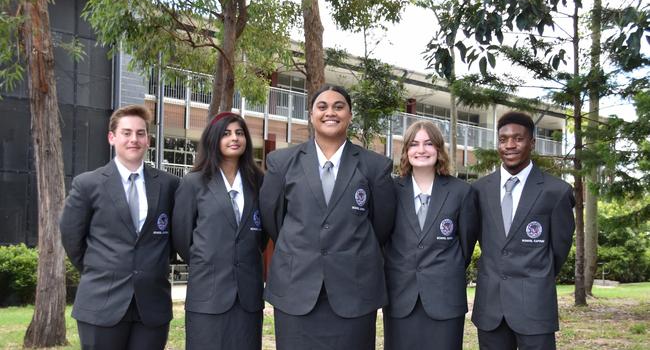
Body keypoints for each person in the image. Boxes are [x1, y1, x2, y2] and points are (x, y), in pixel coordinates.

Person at [260, 85, 396, 350]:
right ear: (311, 115)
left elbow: (382, 225)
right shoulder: (281, 162)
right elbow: (273, 219)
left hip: (354, 290)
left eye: (338, 106)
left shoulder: (375, 167)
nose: (330, 112)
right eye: (322, 107)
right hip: (296, 288)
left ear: (350, 114)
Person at [60, 105, 179, 350]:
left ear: (148, 140)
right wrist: (101, 268)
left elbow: (175, 237)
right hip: (102, 302)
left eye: (140, 133)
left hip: (152, 306)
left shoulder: (169, 185)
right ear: (112, 137)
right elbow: (72, 238)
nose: (134, 139)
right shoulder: (88, 184)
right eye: (126, 133)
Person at [471, 111, 575, 350]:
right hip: (490, 308)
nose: (509, 145)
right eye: (503, 139)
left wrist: (534, 278)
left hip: (535, 306)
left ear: (532, 143)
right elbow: (472, 239)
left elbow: (558, 251)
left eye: (518, 138)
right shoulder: (478, 190)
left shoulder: (556, 191)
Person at [172, 112, 266, 350]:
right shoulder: (194, 183)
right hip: (208, 293)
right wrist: (209, 259)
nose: (234, 138)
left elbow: (261, 235)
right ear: (214, 139)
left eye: (239, 132)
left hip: (248, 295)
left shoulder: (259, 181)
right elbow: (183, 237)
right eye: (226, 133)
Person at [383, 120, 477, 350]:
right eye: (414, 144)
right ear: (406, 151)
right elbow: (383, 239)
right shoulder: (390, 190)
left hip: (445, 297)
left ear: (439, 149)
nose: (421, 150)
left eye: (428, 143)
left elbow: (465, 245)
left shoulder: (461, 192)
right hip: (400, 297)